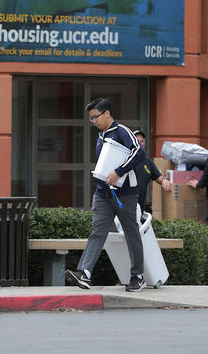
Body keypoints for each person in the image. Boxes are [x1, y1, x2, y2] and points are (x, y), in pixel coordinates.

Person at [65, 98, 148, 292]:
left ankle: (138, 276)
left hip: (125, 194)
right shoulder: (101, 136)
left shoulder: (122, 131)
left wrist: (119, 171)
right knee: (97, 231)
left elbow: (139, 153)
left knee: (131, 233)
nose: (94, 121)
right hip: (103, 193)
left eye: (96, 117)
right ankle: (84, 273)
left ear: (107, 113)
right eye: (91, 118)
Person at [133, 130, 172, 213]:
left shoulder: (148, 162)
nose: (140, 143)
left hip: (139, 207)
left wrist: (164, 180)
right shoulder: (125, 159)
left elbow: (157, 176)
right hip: (124, 205)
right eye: (137, 140)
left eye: (142, 141)